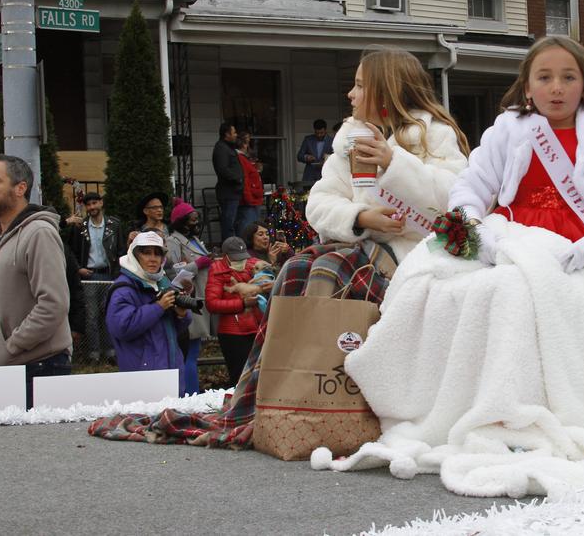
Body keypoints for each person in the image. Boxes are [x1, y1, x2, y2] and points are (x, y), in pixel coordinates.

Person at [314, 36, 584, 497]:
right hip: (513, 235)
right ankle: (471, 404)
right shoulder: (509, 129)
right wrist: (476, 227)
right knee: (441, 285)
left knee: (524, 294)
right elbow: (471, 187)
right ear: (528, 86)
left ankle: (562, 410)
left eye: (568, 77)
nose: (557, 88)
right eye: (545, 77)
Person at [87, 46, 469, 449]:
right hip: (363, 246)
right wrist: (359, 217)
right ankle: (286, 393)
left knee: (329, 269)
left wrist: (395, 163)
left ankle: (334, 392)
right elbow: (321, 204)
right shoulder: (348, 143)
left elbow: (455, 201)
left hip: (415, 256)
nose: (350, 95)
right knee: (297, 268)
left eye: (359, 85)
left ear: (386, 89)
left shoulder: (433, 136)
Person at [0, 154, 71, 409]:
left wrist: (11, 346)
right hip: (6, 369)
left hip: (37, 368)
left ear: (20, 188)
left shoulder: (39, 233)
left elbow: (53, 304)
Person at [105, 232, 191, 395]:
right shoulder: (123, 290)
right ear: (134, 255)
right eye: (146, 252)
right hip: (141, 377)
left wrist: (181, 315)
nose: (153, 258)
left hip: (171, 371)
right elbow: (121, 329)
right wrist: (158, 307)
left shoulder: (162, 283)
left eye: (157, 253)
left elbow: (171, 331)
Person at [165, 198, 211, 394]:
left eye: (197, 218)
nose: (196, 223)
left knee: (195, 350)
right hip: (187, 300)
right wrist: (197, 264)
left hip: (202, 297)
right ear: (181, 221)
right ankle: (191, 395)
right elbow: (173, 272)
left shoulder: (194, 241)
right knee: (189, 352)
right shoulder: (173, 241)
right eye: (192, 219)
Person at [205, 236, 264, 387]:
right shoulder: (217, 271)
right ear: (225, 257)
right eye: (236, 259)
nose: (241, 262)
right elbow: (212, 304)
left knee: (260, 375)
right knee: (239, 378)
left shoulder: (253, 265)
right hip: (233, 332)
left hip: (257, 326)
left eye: (243, 258)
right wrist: (241, 304)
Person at [63, 192, 126, 281]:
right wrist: (78, 268)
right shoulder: (80, 226)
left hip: (111, 274)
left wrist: (117, 272)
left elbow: (121, 250)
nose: (92, 207)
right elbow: (71, 251)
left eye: (94, 203)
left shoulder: (114, 225)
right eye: (88, 205)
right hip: (88, 274)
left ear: (101, 203)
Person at [213, 122, 244, 240]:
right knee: (228, 223)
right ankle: (229, 249)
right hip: (228, 192)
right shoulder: (221, 148)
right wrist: (238, 179)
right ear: (227, 134)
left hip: (234, 192)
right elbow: (222, 169)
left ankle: (232, 246)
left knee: (232, 222)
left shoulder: (228, 147)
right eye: (234, 132)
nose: (236, 135)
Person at [235, 132, 264, 235]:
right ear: (243, 144)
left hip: (253, 198)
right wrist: (249, 199)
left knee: (251, 227)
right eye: (247, 142)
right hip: (249, 201)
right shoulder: (240, 158)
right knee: (247, 229)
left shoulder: (244, 159)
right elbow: (245, 179)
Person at [296, 119, 334, 184]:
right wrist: (306, 157)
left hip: (325, 174)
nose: (319, 135)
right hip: (310, 175)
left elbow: (335, 157)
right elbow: (299, 156)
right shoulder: (308, 139)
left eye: (321, 133)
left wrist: (327, 160)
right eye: (317, 133)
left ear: (325, 130)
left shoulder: (332, 141)